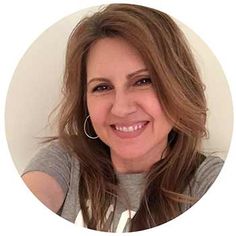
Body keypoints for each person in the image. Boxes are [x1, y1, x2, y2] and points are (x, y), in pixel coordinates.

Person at [22, 3, 224, 233]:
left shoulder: (209, 180)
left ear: (177, 87)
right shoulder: (65, 161)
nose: (120, 109)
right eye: (102, 87)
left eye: (143, 81)